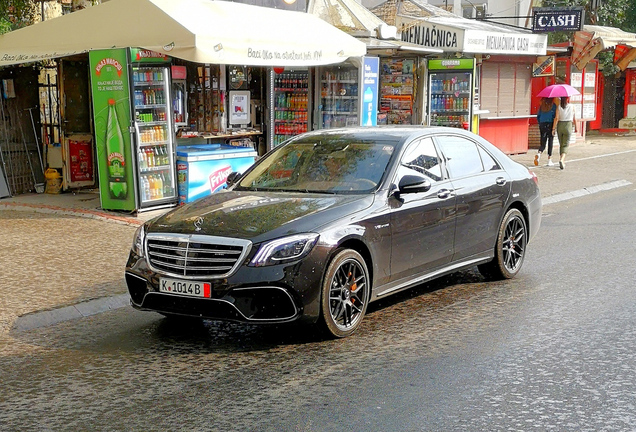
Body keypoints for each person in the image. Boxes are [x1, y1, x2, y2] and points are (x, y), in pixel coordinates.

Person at [553, 96, 577, 170]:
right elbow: (574, 118)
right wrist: (576, 127)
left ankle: (561, 159)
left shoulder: (558, 107)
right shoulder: (572, 106)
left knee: (561, 144)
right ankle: (562, 159)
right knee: (565, 144)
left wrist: (553, 128)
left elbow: (556, 118)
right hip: (568, 125)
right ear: (567, 99)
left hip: (560, 125)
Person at [535, 97, 558, 166]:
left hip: (542, 124)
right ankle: (549, 159)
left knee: (543, 141)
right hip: (550, 124)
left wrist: (540, 123)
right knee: (550, 141)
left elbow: (538, 116)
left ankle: (539, 154)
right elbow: (555, 116)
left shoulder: (542, 106)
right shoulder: (553, 106)